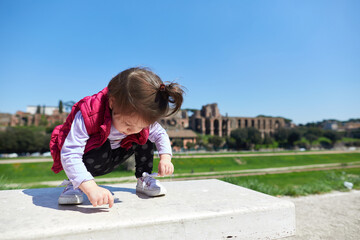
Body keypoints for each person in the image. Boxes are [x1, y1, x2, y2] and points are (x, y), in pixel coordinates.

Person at [49, 67, 184, 208]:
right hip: (91, 157)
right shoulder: (89, 115)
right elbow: (70, 152)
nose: (133, 130)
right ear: (112, 102)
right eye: (128, 124)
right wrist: (90, 188)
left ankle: (144, 177)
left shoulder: (139, 119)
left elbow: (160, 134)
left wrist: (165, 158)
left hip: (118, 153)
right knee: (136, 135)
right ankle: (76, 183)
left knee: (145, 136)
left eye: (140, 125)